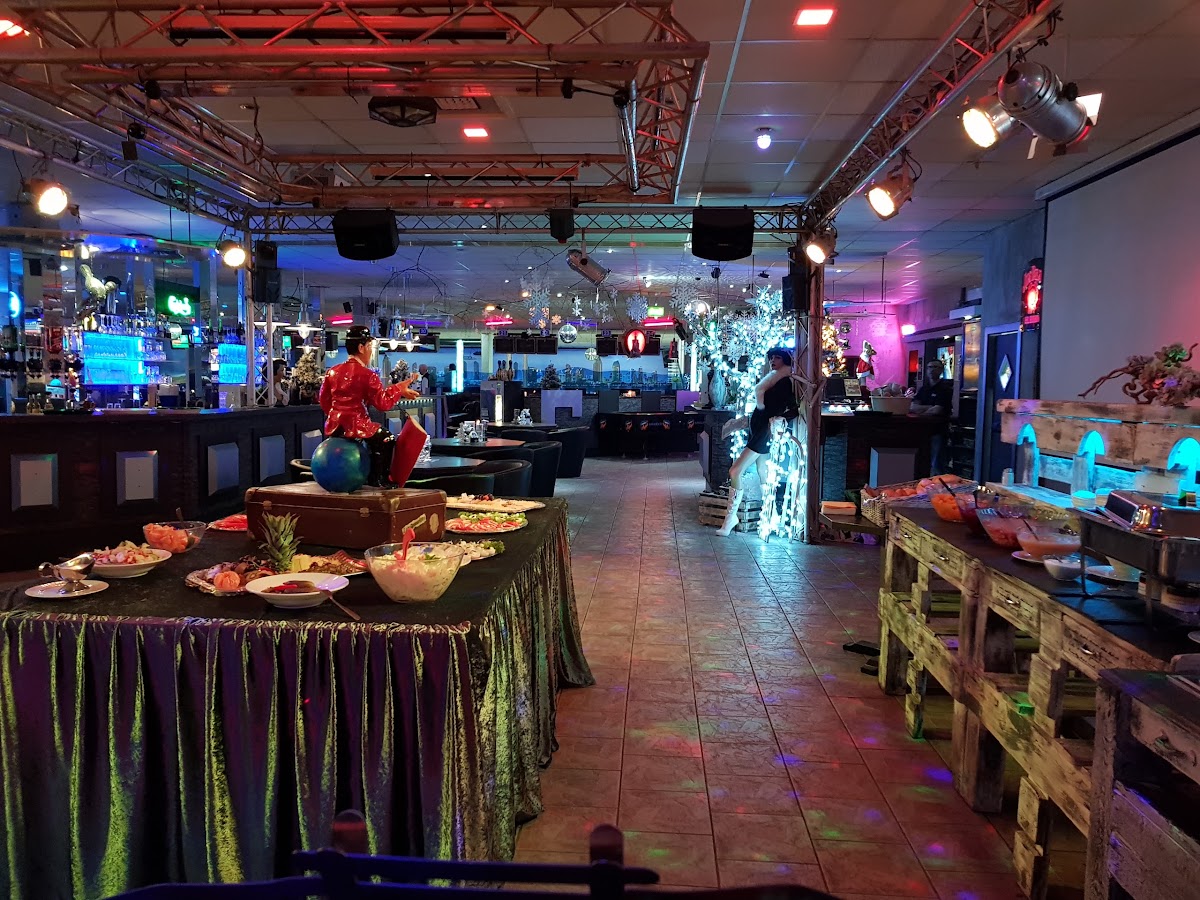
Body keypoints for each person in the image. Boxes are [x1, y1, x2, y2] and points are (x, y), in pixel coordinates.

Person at [318, 325, 421, 486]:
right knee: (386, 438)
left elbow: (324, 400)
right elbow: (383, 403)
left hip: (335, 425)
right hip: (356, 424)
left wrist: (335, 414)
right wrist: (398, 389)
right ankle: (379, 479)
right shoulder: (368, 375)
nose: (371, 351)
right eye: (370, 347)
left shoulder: (332, 371)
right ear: (361, 348)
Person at [717, 347, 798, 536]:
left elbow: (793, 408)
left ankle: (731, 517)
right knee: (763, 472)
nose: (773, 361)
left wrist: (780, 419)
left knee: (735, 470)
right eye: (771, 358)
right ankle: (772, 515)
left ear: (785, 360)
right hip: (758, 428)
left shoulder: (784, 381)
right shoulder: (772, 379)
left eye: (777, 357)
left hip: (764, 431)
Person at [911, 358, 953, 475]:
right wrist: (930, 407)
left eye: (935, 367)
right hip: (922, 432)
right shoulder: (924, 388)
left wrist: (921, 410)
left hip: (938, 431)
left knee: (937, 464)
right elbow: (912, 407)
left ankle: (939, 486)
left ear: (941, 370)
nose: (932, 370)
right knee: (922, 463)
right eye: (929, 367)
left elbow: (937, 410)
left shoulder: (945, 389)